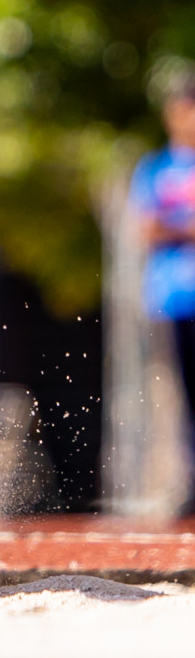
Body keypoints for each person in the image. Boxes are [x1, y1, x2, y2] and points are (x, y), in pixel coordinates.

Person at [131, 66, 195, 509]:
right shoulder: (155, 168)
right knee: (182, 399)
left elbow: (161, 226)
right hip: (173, 300)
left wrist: (174, 228)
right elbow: (145, 228)